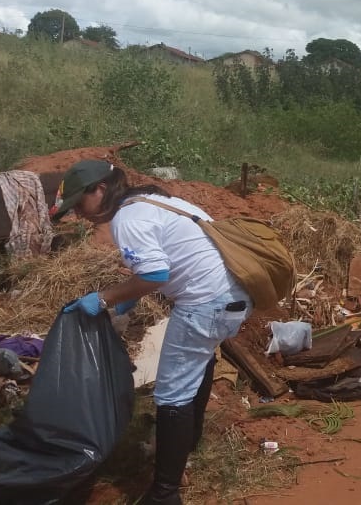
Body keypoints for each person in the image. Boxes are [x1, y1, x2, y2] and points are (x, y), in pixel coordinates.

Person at [53, 160, 252, 505]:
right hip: (233, 294)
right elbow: (170, 262)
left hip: (206, 303)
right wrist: (127, 302)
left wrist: (104, 298)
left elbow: (156, 275)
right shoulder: (155, 201)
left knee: (172, 395)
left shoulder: (128, 219)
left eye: (79, 204)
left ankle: (165, 494)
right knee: (199, 362)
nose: (78, 214)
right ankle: (188, 443)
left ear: (99, 189)